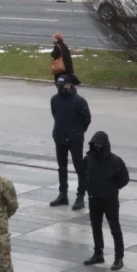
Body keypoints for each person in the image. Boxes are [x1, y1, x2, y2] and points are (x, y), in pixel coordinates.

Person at [82, 131, 129, 271]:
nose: (97, 147)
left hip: (110, 200)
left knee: (115, 227)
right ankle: (98, 253)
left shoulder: (115, 161)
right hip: (94, 198)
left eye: (99, 144)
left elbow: (124, 179)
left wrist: (111, 188)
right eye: (94, 144)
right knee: (95, 226)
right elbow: (83, 173)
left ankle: (118, 257)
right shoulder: (89, 159)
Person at [50, 74, 91, 210]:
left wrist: (78, 132)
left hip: (75, 139)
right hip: (60, 137)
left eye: (63, 85)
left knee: (79, 167)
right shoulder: (54, 100)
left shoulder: (79, 101)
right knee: (62, 167)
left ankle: (80, 196)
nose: (61, 88)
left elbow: (86, 119)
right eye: (58, 85)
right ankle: (63, 194)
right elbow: (55, 115)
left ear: (69, 85)